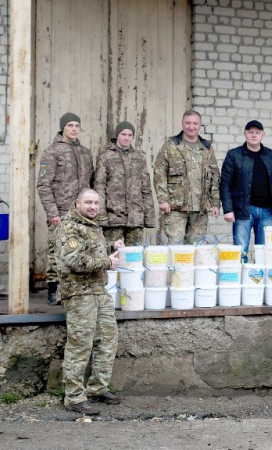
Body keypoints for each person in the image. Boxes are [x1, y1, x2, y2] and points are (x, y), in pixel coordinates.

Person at [55, 188, 124, 415]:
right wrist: (106, 262)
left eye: (96, 202)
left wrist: (111, 249)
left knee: (107, 339)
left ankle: (97, 388)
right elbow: (75, 261)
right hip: (78, 294)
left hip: (97, 291)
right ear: (77, 204)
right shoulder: (69, 227)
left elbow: (92, 253)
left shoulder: (91, 226)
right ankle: (74, 397)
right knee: (80, 344)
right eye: (88, 203)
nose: (93, 207)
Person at [36, 112, 94, 305]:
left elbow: (90, 183)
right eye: (70, 125)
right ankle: (54, 290)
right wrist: (52, 212)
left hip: (81, 213)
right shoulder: (51, 152)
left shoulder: (85, 153)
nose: (74, 129)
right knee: (56, 251)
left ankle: (75, 290)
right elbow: (43, 184)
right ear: (63, 128)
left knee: (81, 250)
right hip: (60, 212)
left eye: (77, 125)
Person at [220, 120, 272, 263]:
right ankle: (239, 283)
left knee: (264, 253)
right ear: (245, 134)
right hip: (243, 210)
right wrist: (228, 209)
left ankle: (258, 284)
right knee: (240, 250)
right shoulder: (234, 155)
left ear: (263, 135)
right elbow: (225, 184)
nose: (254, 135)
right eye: (251, 132)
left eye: (257, 132)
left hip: (266, 211)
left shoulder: (271, 155)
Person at [153, 110, 220, 244]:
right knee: (176, 247)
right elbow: (159, 172)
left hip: (200, 209)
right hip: (176, 208)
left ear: (200, 125)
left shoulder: (207, 148)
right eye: (188, 123)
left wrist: (215, 203)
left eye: (195, 123)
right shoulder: (171, 145)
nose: (191, 126)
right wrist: (163, 199)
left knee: (196, 248)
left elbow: (214, 176)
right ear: (182, 124)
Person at [94, 121, 156, 246]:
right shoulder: (106, 157)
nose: (126, 138)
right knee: (112, 253)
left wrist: (149, 217)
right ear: (117, 135)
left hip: (135, 218)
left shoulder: (139, 158)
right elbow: (99, 187)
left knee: (134, 256)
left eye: (130, 135)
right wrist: (101, 216)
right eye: (123, 134)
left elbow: (146, 189)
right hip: (114, 217)